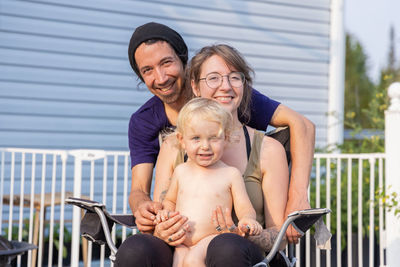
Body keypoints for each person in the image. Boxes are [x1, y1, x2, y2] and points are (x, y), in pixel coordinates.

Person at [115, 22, 314, 266]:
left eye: (235, 78)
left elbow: (277, 236)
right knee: (135, 248)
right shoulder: (172, 144)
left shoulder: (267, 149)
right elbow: (151, 203)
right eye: (213, 78)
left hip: (241, 253)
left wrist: (254, 231)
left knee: (226, 246)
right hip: (182, 248)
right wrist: (161, 228)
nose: (226, 86)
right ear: (195, 87)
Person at [155, 98, 262, 267]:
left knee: (192, 261)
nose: (205, 146)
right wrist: (165, 213)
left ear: (226, 139)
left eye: (213, 138)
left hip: (211, 238)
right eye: (196, 138)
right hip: (181, 240)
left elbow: (244, 207)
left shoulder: (230, 174)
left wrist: (247, 220)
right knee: (179, 262)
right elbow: (170, 200)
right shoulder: (181, 171)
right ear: (182, 140)